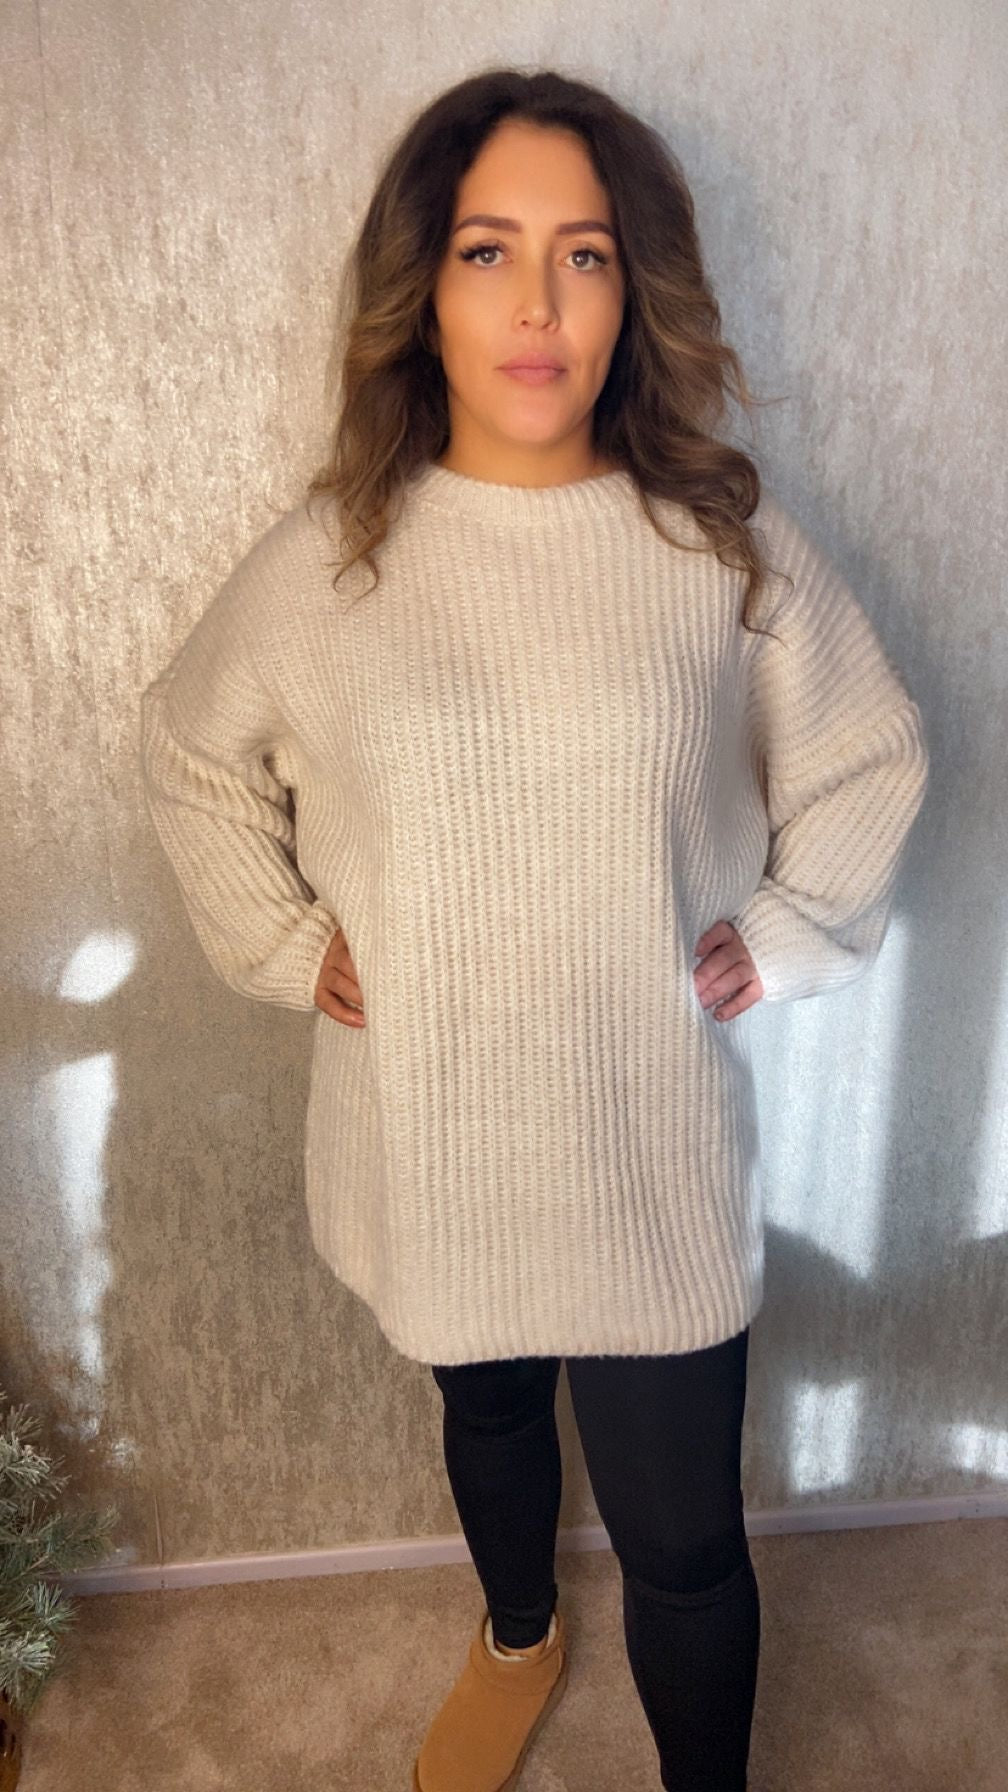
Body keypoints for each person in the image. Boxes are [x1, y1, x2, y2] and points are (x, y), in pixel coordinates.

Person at [139, 68, 929, 1792]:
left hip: (642, 1141)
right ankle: (515, 1630)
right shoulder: (336, 559)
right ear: (423, 286)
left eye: (584, 254)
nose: (538, 303)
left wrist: (790, 930)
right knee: (486, 1406)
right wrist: (285, 942)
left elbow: (869, 750)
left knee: (686, 1545)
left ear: (633, 290)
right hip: (433, 1127)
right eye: (490, 250)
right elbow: (192, 750)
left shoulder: (715, 545)